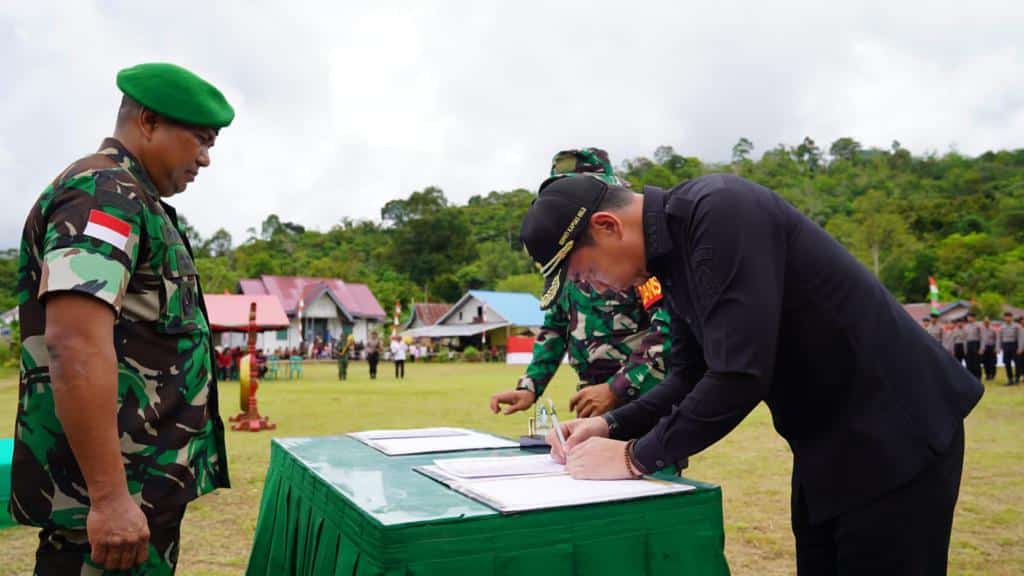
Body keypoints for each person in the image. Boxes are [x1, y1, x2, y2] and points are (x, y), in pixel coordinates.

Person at [520, 173, 983, 574]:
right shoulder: (668, 262)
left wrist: (632, 458)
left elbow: (739, 375)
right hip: (826, 443)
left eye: (586, 275)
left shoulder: (719, 212)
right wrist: (609, 424)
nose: (596, 288)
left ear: (607, 226)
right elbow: (688, 376)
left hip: (894, 431)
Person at [10, 63, 234, 574]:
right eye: (200, 140)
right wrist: (110, 498)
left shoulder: (136, 199)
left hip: (143, 493)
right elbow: (74, 344)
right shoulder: (103, 194)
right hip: (113, 503)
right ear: (149, 122)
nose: (205, 158)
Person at [491, 148, 673, 420]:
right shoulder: (566, 259)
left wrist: (616, 388)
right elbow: (555, 327)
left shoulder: (637, 256)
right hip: (591, 397)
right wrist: (530, 387)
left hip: (643, 396)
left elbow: (668, 331)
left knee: (641, 462)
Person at [997, 312, 1019, 385]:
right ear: (1004, 318)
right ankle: (1010, 379)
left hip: (1014, 345)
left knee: (1017, 362)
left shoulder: (1016, 326)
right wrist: (998, 347)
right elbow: (999, 338)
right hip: (1006, 346)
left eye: (1009, 317)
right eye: (1006, 317)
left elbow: (1020, 338)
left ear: (1012, 317)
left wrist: (1020, 348)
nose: (1007, 318)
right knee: (1007, 363)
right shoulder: (1002, 327)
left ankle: (1017, 378)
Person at [963, 312, 983, 380]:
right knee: (969, 362)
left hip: (976, 344)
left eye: (970, 317)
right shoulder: (966, 326)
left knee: (976, 362)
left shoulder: (978, 326)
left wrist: (981, 348)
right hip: (968, 344)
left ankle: (978, 377)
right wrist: (965, 349)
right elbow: (965, 339)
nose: (969, 318)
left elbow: (982, 337)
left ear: (974, 318)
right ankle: (970, 378)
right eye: (968, 317)